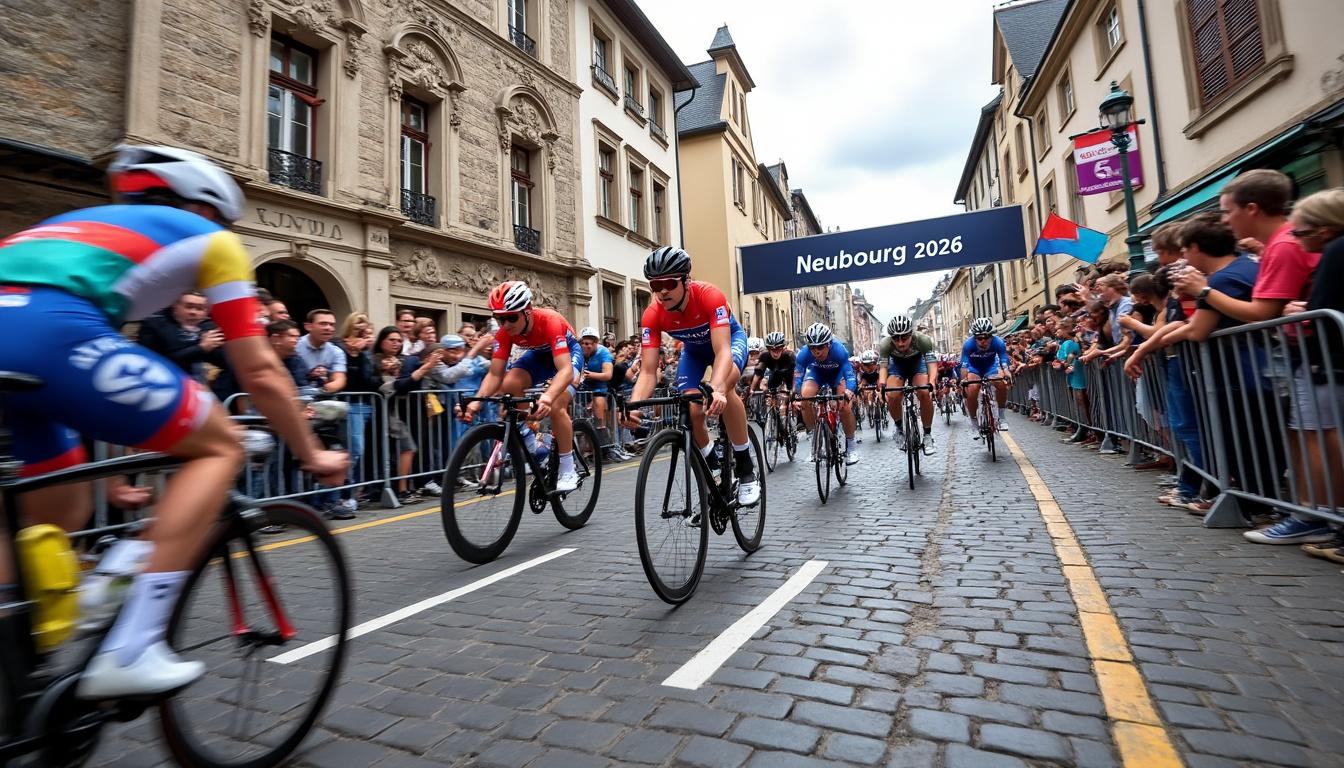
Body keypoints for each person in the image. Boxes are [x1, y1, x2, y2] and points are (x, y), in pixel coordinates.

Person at [0, 145, 346, 699]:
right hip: (54, 334)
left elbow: (109, 380)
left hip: (22, 342)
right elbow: (257, 368)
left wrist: (111, 476)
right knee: (219, 446)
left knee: (59, 509)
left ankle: (20, 663)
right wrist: (310, 451)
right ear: (205, 208)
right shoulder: (211, 239)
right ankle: (131, 646)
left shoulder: (67, 225)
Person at [620, 247, 761, 504]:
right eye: (655, 285)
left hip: (728, 344)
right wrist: (634, 404)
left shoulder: (709, 296)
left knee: (725, 389)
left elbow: (722, 351)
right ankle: (714, 469)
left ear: (686, 280)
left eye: (669, 283)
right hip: (694, 352)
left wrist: (716, 388)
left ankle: (745, 465)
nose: (662, 291)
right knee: (691, 407)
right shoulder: (652, 314)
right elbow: (649, 371)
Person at [459, 281, 584, 492]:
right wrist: (475, 402)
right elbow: (495, 374)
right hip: (539, 356)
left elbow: (565, 371)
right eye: (499, 318)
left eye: (511, 317)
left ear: (527, 311)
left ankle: (568, 469)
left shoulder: (550, 320)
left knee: (556, 405)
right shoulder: (504, 333)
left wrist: (547, 396)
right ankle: (529, 439)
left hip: (568, 356)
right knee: (509, 383)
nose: (505, 324)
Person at [794, 323, 861, 465]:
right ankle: (814, 440)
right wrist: (798, 396)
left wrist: (849, 390)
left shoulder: (839, 350)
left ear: (829, 344)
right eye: (813, 347)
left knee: (844, 406)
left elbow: (849, 375)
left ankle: (851, 447)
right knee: (806, 398)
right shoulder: (803, 354)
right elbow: (798, 378)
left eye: (820, 347)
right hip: (816, 375)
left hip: (837, 376)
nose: (816, 351)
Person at [136, 291, 226, 384]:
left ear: (205, 313)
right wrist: (201, 348)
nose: (193, 312)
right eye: (188, 307)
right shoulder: (155, 324)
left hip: (194, 382)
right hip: (160, 380)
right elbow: (154, 363)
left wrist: (213, 347)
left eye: (199, 309)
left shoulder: (206, 326)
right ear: (175, 306)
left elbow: (225, 362)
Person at [878, 315, 938, 452]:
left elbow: (932, 364)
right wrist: (882, 386)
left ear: (911, 334)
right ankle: (899, 428)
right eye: (896, 338)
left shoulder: (923, 340)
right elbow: (883, 368)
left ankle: (927, 435)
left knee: (924, 392)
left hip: (917, 365)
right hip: (897, 366)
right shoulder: (885, 344)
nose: (900, 343)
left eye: (904, 337)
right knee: (892, 394)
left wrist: (931, 382)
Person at [578, 326, 627, 462]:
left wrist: (589, 375)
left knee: (598, 421)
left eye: (587, 344)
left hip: (600, 391)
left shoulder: (604, 353)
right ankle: (586, 450)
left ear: (595, 343)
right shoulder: (579, 353)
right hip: (582, 391)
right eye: (582, 343)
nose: (584, 346)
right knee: (584, 422)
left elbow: (608, 375)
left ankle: (604, 450)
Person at [960, 317, 1013, 432]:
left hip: (991, 366)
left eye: (987, 337)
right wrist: (964, 379)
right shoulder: (968, 344)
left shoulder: (998, 342)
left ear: (992, 335)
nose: (984, 340)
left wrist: (1006, 371)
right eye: (979, 338)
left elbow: (1003, 358)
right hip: (974, 368)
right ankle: (974, 422)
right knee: (972, 388)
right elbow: (964, 365)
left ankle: (1002, 417)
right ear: (974, 337)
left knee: (1000, 382)